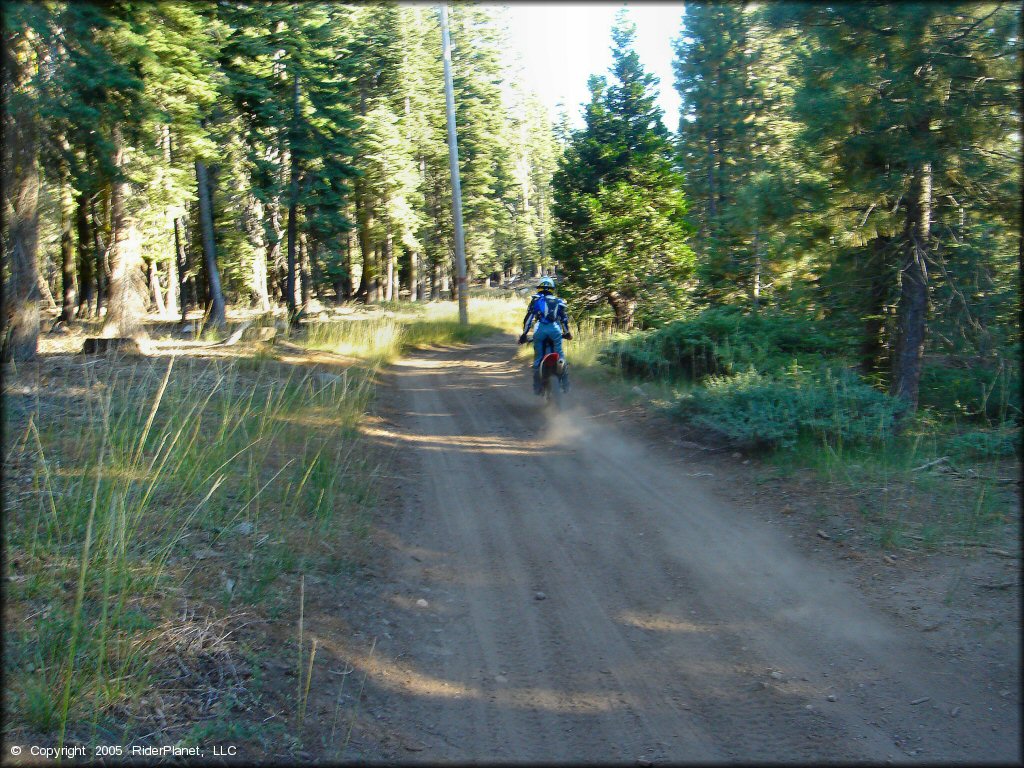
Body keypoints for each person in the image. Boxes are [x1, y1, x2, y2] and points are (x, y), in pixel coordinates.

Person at [518, 276, 572, 394]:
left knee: (538, 358)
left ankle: (538, 387)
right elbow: (564, 320)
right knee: (561, 356)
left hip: (540, 330)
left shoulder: (536, 301)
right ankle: (566, 383)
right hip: (555, 331)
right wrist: (567, 333)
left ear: (539, 288)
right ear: (552, 289)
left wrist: (524, 334)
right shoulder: (559, 301)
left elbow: (528, 320)